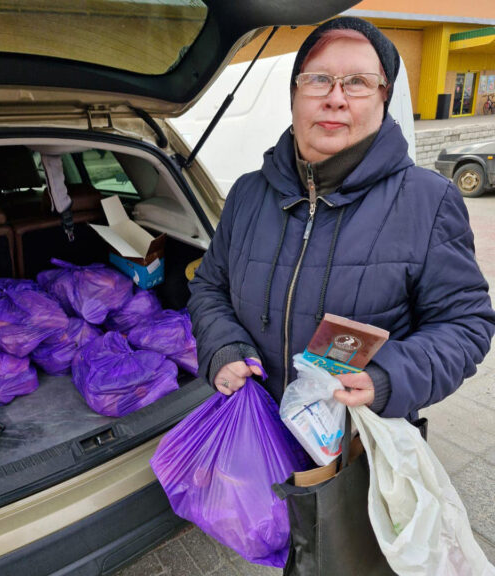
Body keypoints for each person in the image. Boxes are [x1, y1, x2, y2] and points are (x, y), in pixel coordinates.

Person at [188, 17, 495, 420]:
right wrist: (223, 347)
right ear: (295, 94)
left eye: (358, 82)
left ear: (382, 98)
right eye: (318, 79)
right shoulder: (248, 193)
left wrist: (389, 377)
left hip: (353, 440)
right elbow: (210, 286)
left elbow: (465, 324)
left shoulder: (428, 200)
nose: (335, 98)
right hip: (253, 423)